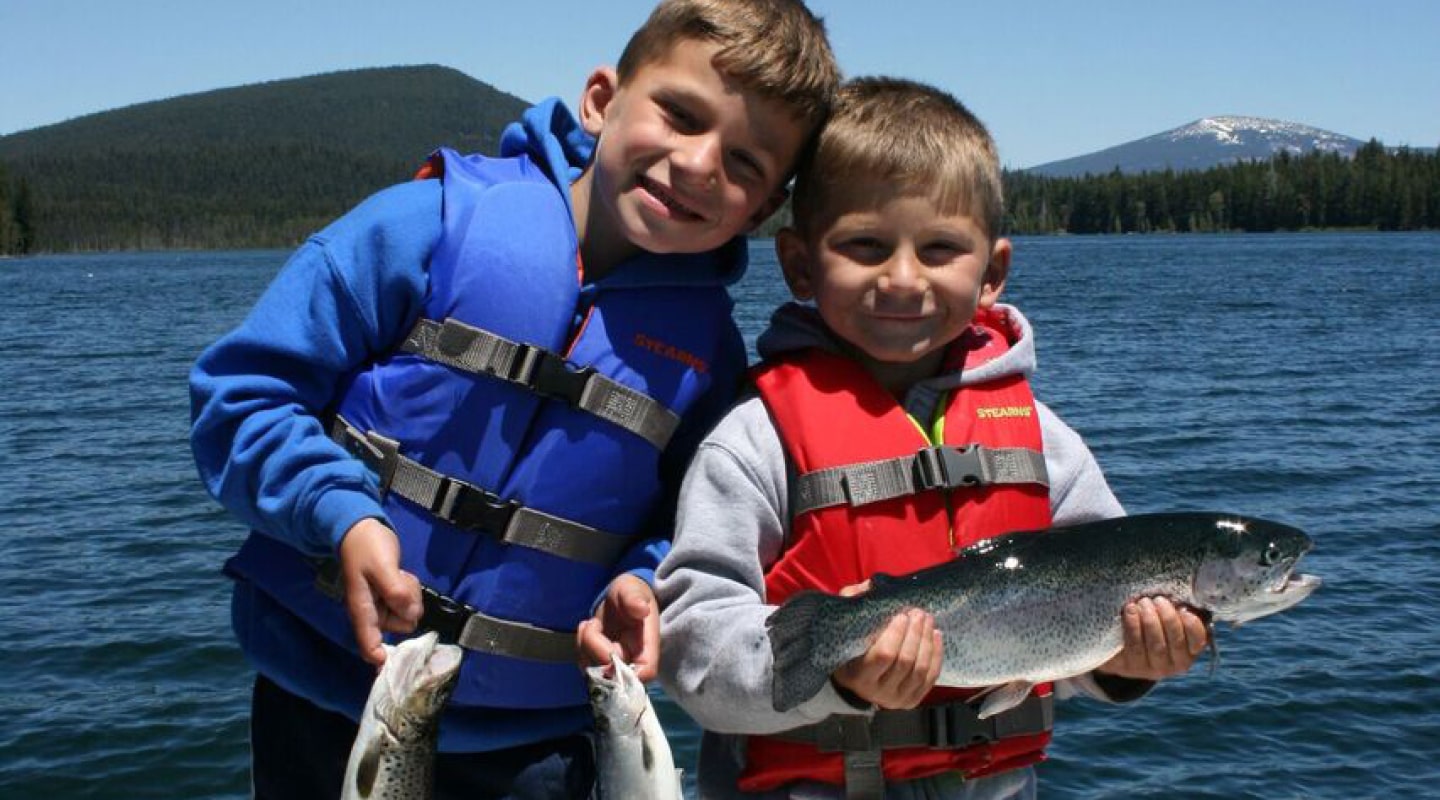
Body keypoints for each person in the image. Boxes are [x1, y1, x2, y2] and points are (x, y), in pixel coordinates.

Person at [188, 2, 839, 797]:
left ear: (766, 208)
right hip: (322, 702)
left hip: (536, 748)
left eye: (746, 163)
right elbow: (242, 398)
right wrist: (343, 514)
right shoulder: (418, 226)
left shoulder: (711, 360)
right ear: (602, 100)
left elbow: (685, 524)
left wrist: (639, 579)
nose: (701, 165)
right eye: (680, 114)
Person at [655, 77, 1211, 800]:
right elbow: (692, 650)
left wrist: (1125, 663)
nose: (903, 279)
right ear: (798, 263)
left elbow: (1077, 637)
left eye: (942, 248)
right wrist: (837, 674)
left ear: (993, 274)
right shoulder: (754, 441)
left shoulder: (1047, 446)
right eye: (865, 245)